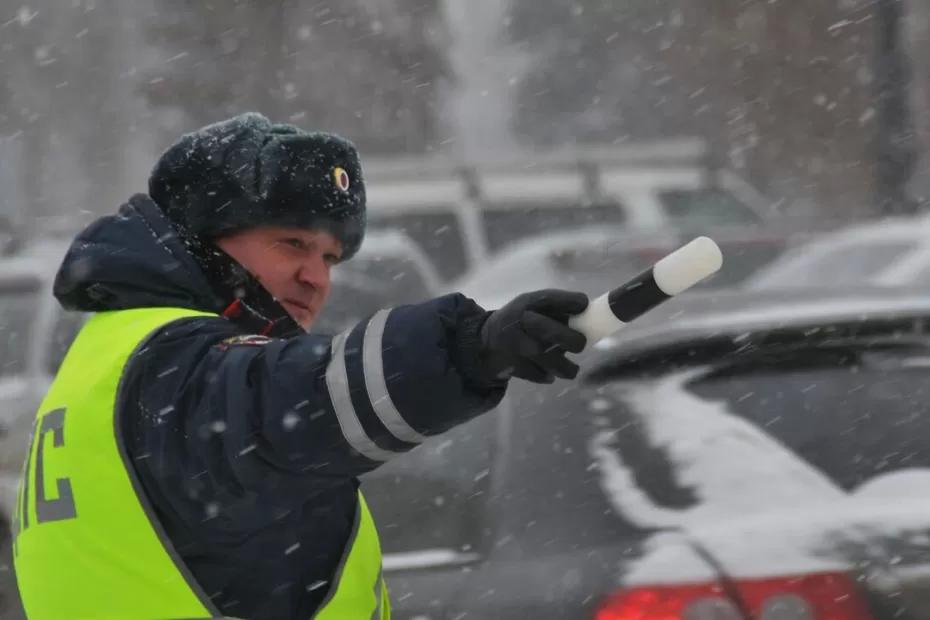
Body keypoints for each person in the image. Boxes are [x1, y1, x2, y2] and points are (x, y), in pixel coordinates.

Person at [11, 113, 588, 620]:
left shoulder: (111, 359)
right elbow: (297, 398)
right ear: (202, 242)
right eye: (291, 243)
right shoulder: (176, 367)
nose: (317, 277)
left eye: (330, 257)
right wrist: (469, 348)